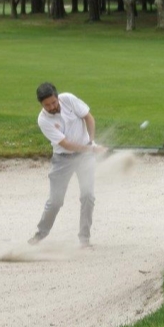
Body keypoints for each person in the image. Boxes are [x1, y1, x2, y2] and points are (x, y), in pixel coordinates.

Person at [28, 82, 107, 248]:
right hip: (62, 160)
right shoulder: (43, 120)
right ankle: (41, 233)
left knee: (88, 196)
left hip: (85, 156)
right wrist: (91, 149)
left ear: (57, 98)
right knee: (55, 201)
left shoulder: (68, 99)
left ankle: (84, 239)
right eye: (47, 105)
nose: (52, 107)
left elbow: (89, 118)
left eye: (53, 102)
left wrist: (91, 142)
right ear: (41, 104)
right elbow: (66, 145)